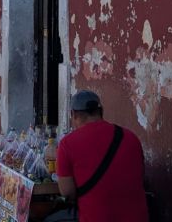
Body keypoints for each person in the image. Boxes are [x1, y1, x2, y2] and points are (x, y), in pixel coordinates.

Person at [56, 90, 148, 222]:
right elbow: (139, 175)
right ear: (101, 111)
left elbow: (67, 192)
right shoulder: (130, 137)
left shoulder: (67, 144)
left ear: (73, 114)